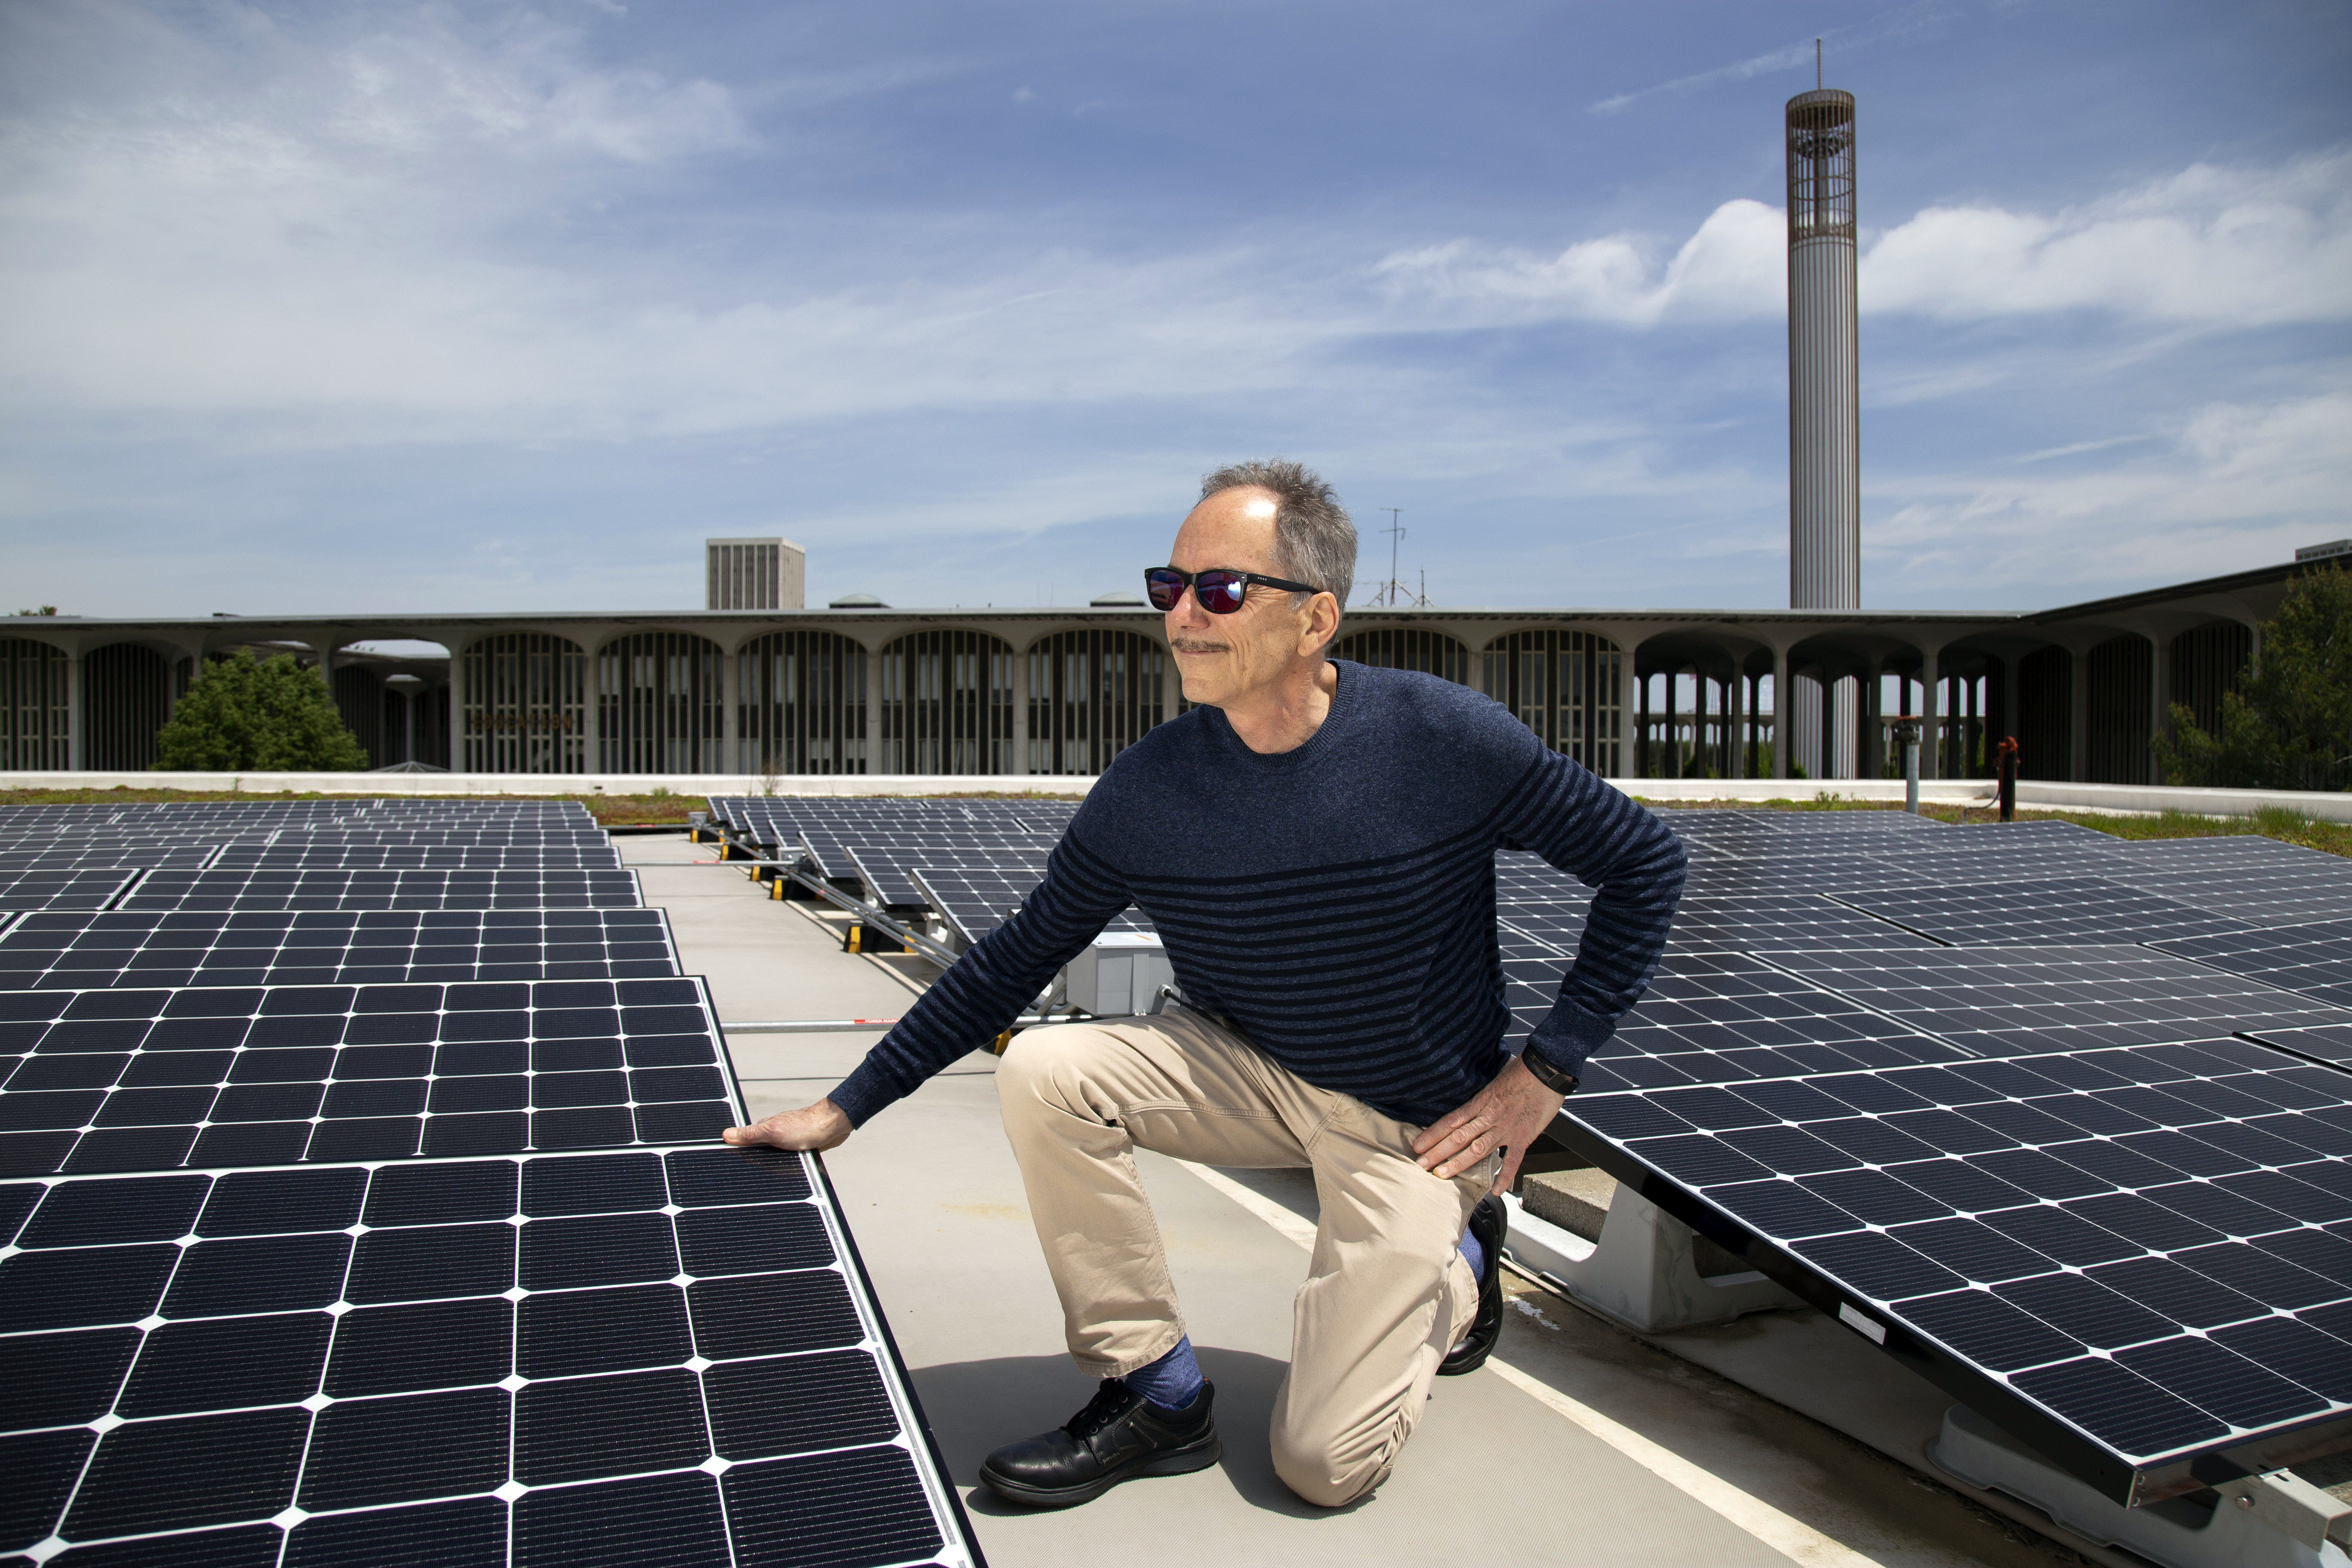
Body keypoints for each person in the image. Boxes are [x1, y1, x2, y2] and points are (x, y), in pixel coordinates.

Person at [723, 459, 1686, 1510]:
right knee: (1046, 1069)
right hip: (1245, 1070)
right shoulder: (1153, 787)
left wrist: (1544, 1073)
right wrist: (846, 1107)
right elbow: (1017, 955)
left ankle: (1456, 1260)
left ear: (1316, 620)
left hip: (1413, 1127)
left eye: (1221, 590)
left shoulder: (1440, 739)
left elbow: (1645, 863)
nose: (1182, 617)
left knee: (1323, 1468)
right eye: (1168, 587)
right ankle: (1155, 1391)